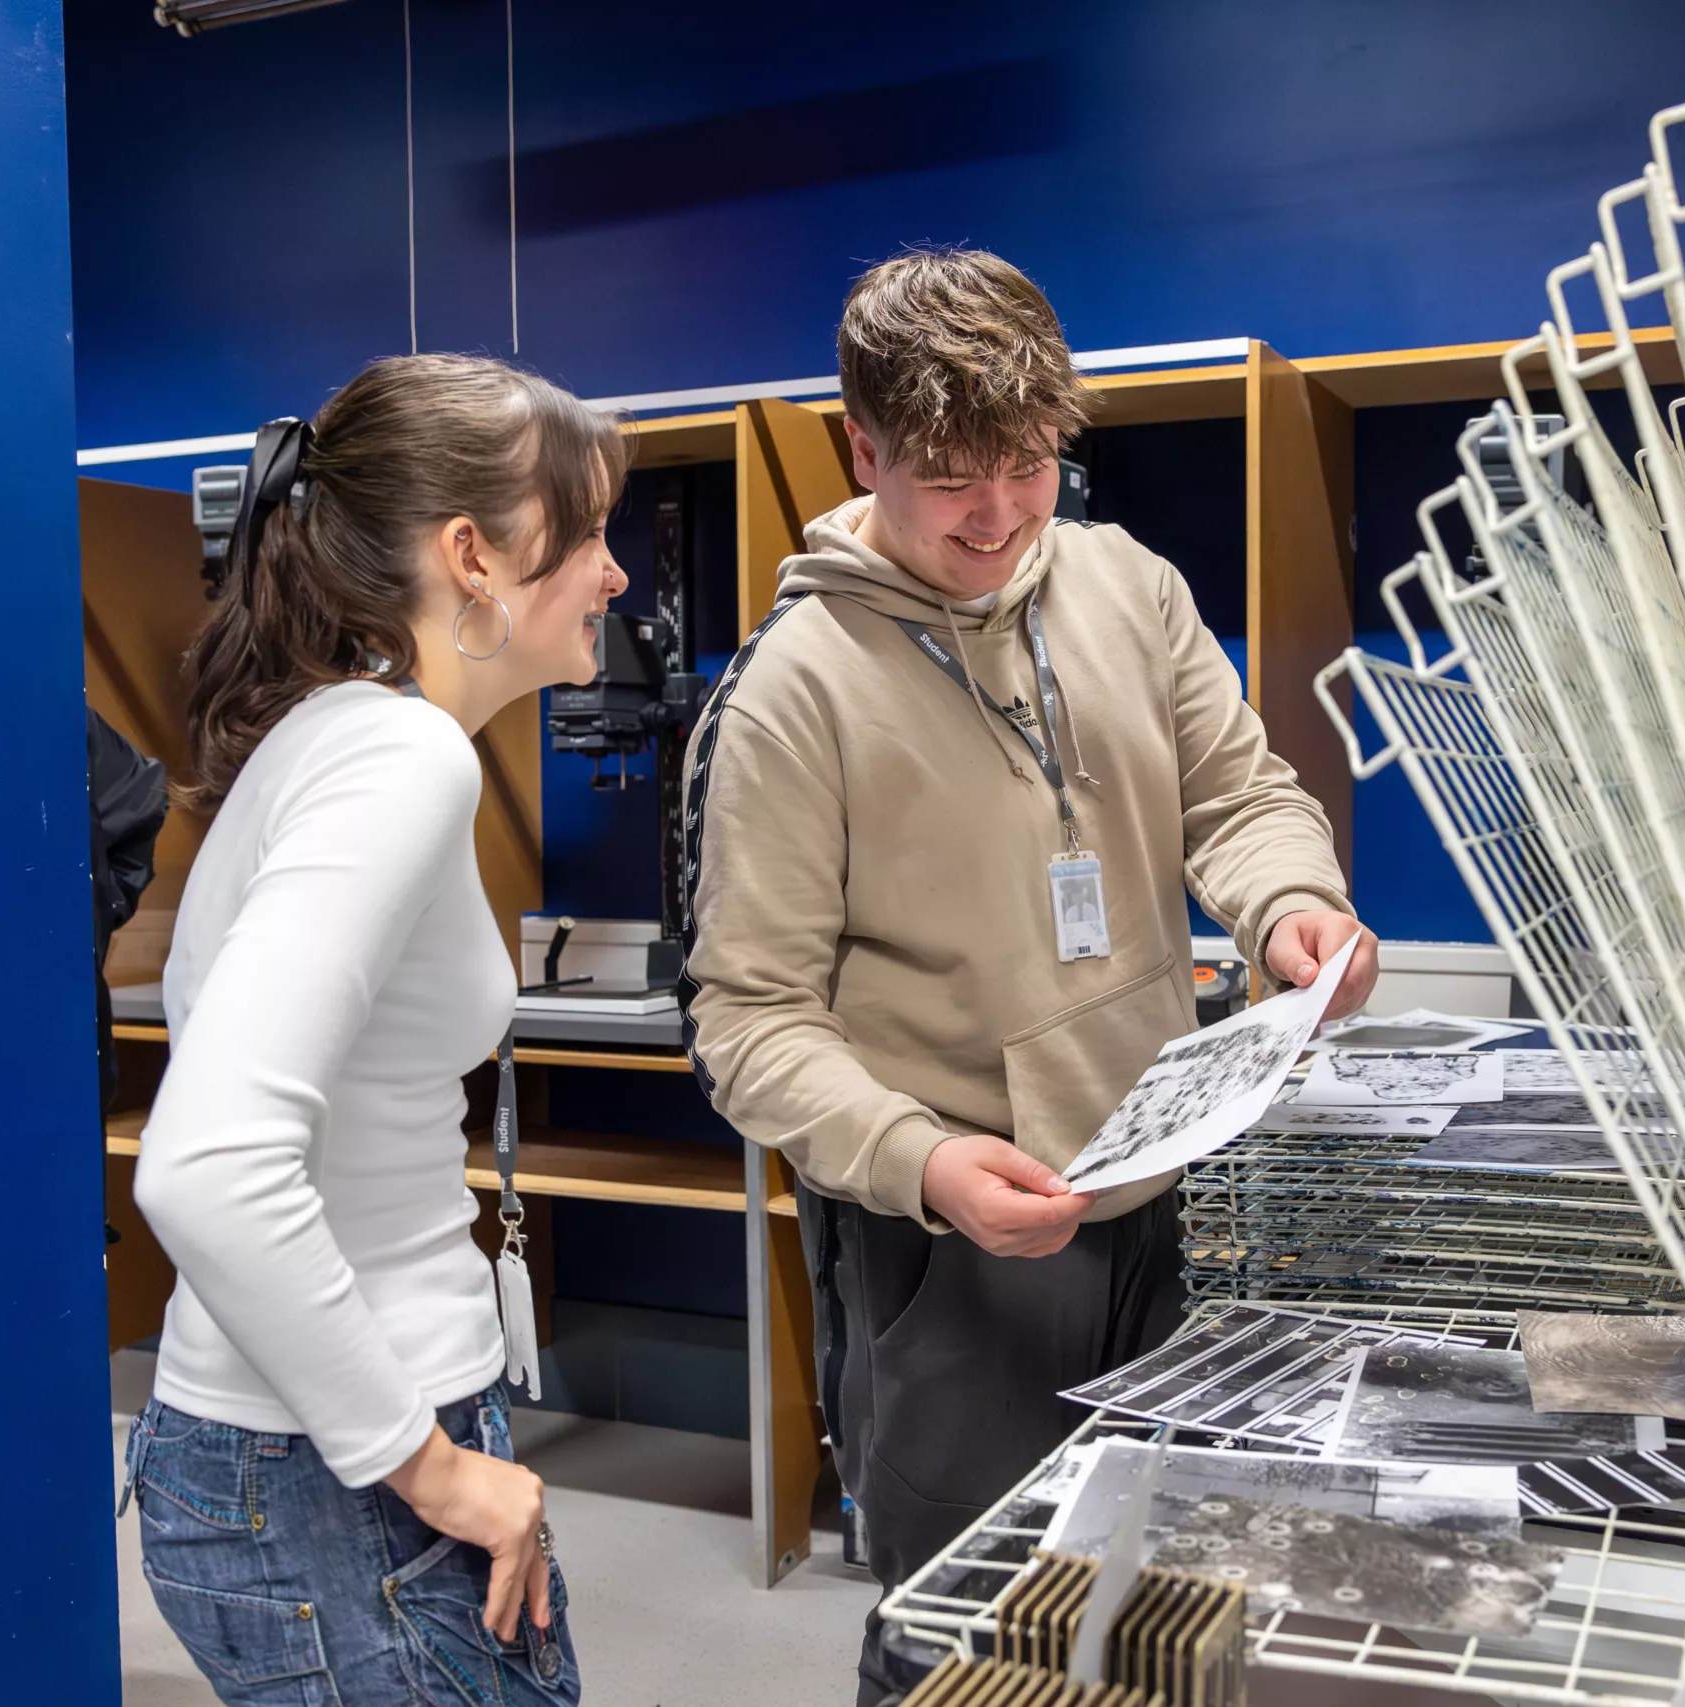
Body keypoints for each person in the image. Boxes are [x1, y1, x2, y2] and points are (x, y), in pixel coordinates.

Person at [680, 248, 1378, 1703]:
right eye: (948, 476)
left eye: (1025, 462)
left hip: (1169, 1183)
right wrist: (923, 1162)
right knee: (971, 1630)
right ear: (863, 448)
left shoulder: (1128, 584)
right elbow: (748, 1019)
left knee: (1163, 1609)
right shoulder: (795, 690)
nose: (997, 513)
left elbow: (1239, 798)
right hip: (960, 1245)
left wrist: (1288, 908)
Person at [124, 353, 627, 1706]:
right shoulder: (400, 758)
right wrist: (430, 1463)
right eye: (587, 534)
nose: (616, 574)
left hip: (297, 1448)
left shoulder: (341, 733)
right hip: (331, 1475)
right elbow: (208, 1164)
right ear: (474, 554)